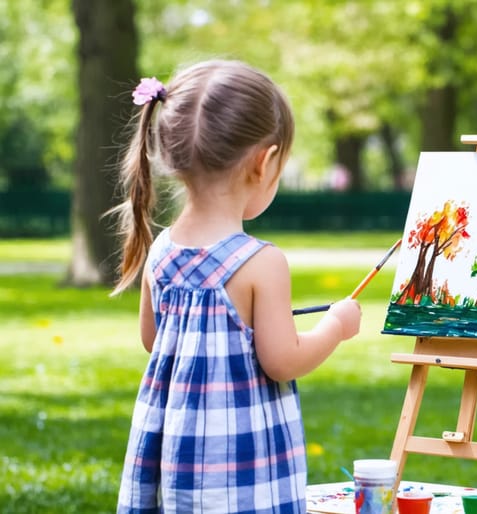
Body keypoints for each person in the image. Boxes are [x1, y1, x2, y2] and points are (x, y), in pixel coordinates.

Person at [111, 60, 362, 513]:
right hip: (239, 466)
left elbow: (153, 340)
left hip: (176, 459)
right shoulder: (260, 262)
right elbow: (283, 361)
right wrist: (335, 327)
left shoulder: (162, 249)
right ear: (263, 163)